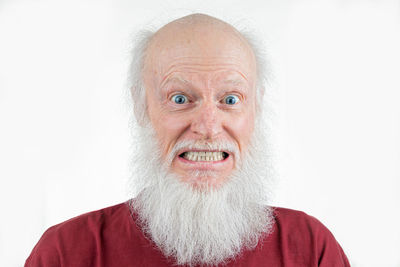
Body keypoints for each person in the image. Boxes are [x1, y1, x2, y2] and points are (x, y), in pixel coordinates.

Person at [25, 13, 350, 267]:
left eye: (231, 99)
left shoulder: (311, 249)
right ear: (142, 108)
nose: (208, 127)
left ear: (257, 109)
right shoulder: (65, 253)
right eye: (180, 99)